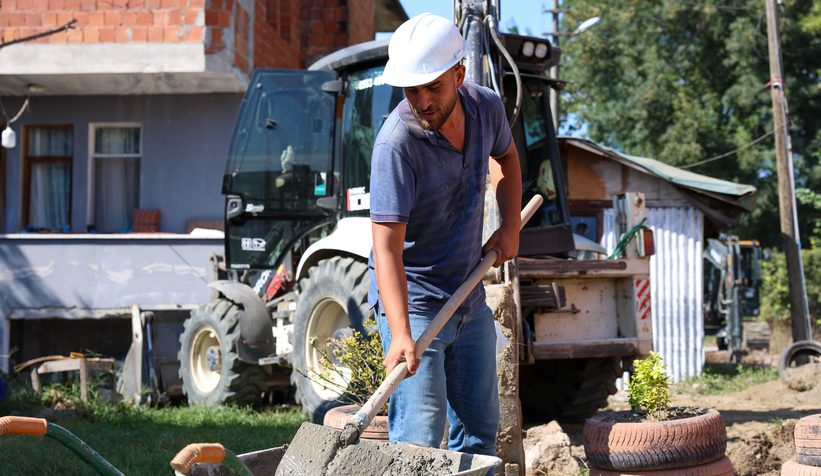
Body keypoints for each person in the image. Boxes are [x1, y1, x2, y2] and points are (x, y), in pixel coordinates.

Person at [368, 13, 522, 456]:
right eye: (411, 89)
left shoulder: (486, 108)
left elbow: (507, 160)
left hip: (468, 296)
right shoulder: (396, 146)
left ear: (459, 73)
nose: (422, 100)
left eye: (433, 86)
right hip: (415, 307)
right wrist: (400, 333)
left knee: (478, 436)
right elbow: (386, 248)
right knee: (417, 441)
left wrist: (509, 225)